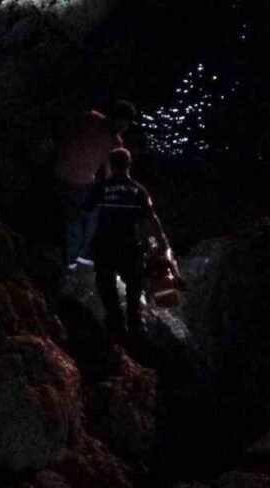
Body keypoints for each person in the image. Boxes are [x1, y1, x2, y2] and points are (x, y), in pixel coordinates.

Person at [91, 147, 172, 352]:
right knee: (134, 286)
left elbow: (85, 214)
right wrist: (162, 241)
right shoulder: (138, 190)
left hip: (105, 245)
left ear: (110, 164)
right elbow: (151, 218)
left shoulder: (100, 188)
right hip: (130, 246)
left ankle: (115, 325)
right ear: (129, 164)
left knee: (106, 285)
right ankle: (135, 324)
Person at [53, 101, 136, 272]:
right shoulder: (105, 132)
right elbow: (109, 172)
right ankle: (74, 260)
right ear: (115, 117)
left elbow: (109, 170)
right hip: (74, 180)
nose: (124, 126)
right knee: (79, 220)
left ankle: (76, 257)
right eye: (123, 121)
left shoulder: (94, 122)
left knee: (83, 217)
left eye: (127, 123)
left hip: (70, 176)